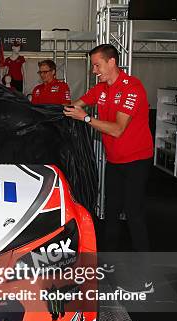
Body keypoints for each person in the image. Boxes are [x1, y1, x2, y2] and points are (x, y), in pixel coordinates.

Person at [63, 44, 152, 252]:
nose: (94, 71)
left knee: (133, 214)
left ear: (111, 62)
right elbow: (74, 106)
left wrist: (85, 118)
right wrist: (48, 112)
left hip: (137, 160)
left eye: (97, 65)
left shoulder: (132, 87)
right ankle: (109, 262)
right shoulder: (100, 89)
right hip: (114, 161)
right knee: (110, 212)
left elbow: (118, 129)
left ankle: (146, 274)